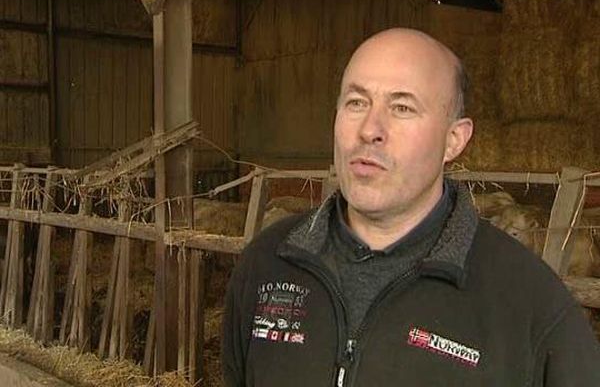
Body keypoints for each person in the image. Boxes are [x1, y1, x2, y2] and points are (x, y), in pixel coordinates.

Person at [221, 28, 600, 386]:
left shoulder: (531, 305)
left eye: (402, 107)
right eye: (356, 102)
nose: (370, 129)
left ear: (454, 140)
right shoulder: (267, 263)